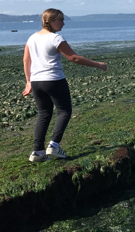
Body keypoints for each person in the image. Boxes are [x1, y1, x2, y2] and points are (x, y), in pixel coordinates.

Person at [23, 8, 107, 162]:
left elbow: (26, 60)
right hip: (54, 80)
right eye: (61, 20)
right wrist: (98, 64)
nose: (63, 23)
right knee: (64, 111)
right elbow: (74, 58)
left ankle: (37, 152)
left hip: (36, 82)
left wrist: (28, 81)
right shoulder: (55, 38)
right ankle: (54, 145)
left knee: (44, 114)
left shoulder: (32, 38)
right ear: (51, 21)